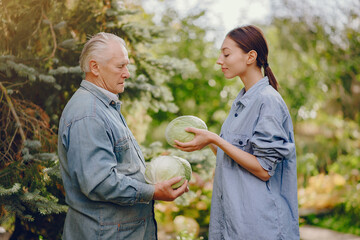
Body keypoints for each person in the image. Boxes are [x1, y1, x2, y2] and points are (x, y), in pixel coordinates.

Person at [57, 32, 188, 240]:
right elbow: (98, 182)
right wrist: (152, 191)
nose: (127, 73)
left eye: (127, 65)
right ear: (95, 67)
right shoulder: (88, 113)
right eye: (120, 66)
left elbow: (120, 167)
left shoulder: (104, 106)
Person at [175, 25, 300, 239]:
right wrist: (209, 142)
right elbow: (236, 157)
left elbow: (263, 169)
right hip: (234, 225)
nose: (219, 60)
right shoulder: (241, 101)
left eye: (226, 54)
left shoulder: (267, 101)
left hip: (260, 228)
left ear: (251, 56)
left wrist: (215, 138)